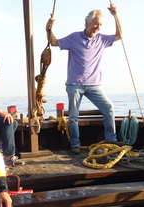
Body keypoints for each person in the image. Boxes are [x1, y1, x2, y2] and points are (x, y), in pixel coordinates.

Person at [46, 4, 123, 154]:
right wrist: (48, 29)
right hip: (75, 85)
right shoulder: (74, 37)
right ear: (87, 23)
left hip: (94, 85)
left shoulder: (102, 39)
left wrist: (116, 15)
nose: (97, 27)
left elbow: (120, 35)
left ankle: (111, 139)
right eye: (95, 24)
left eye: (100, 24)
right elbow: (54, 43)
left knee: (108, 108)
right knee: (73, 116)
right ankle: (75, 144)